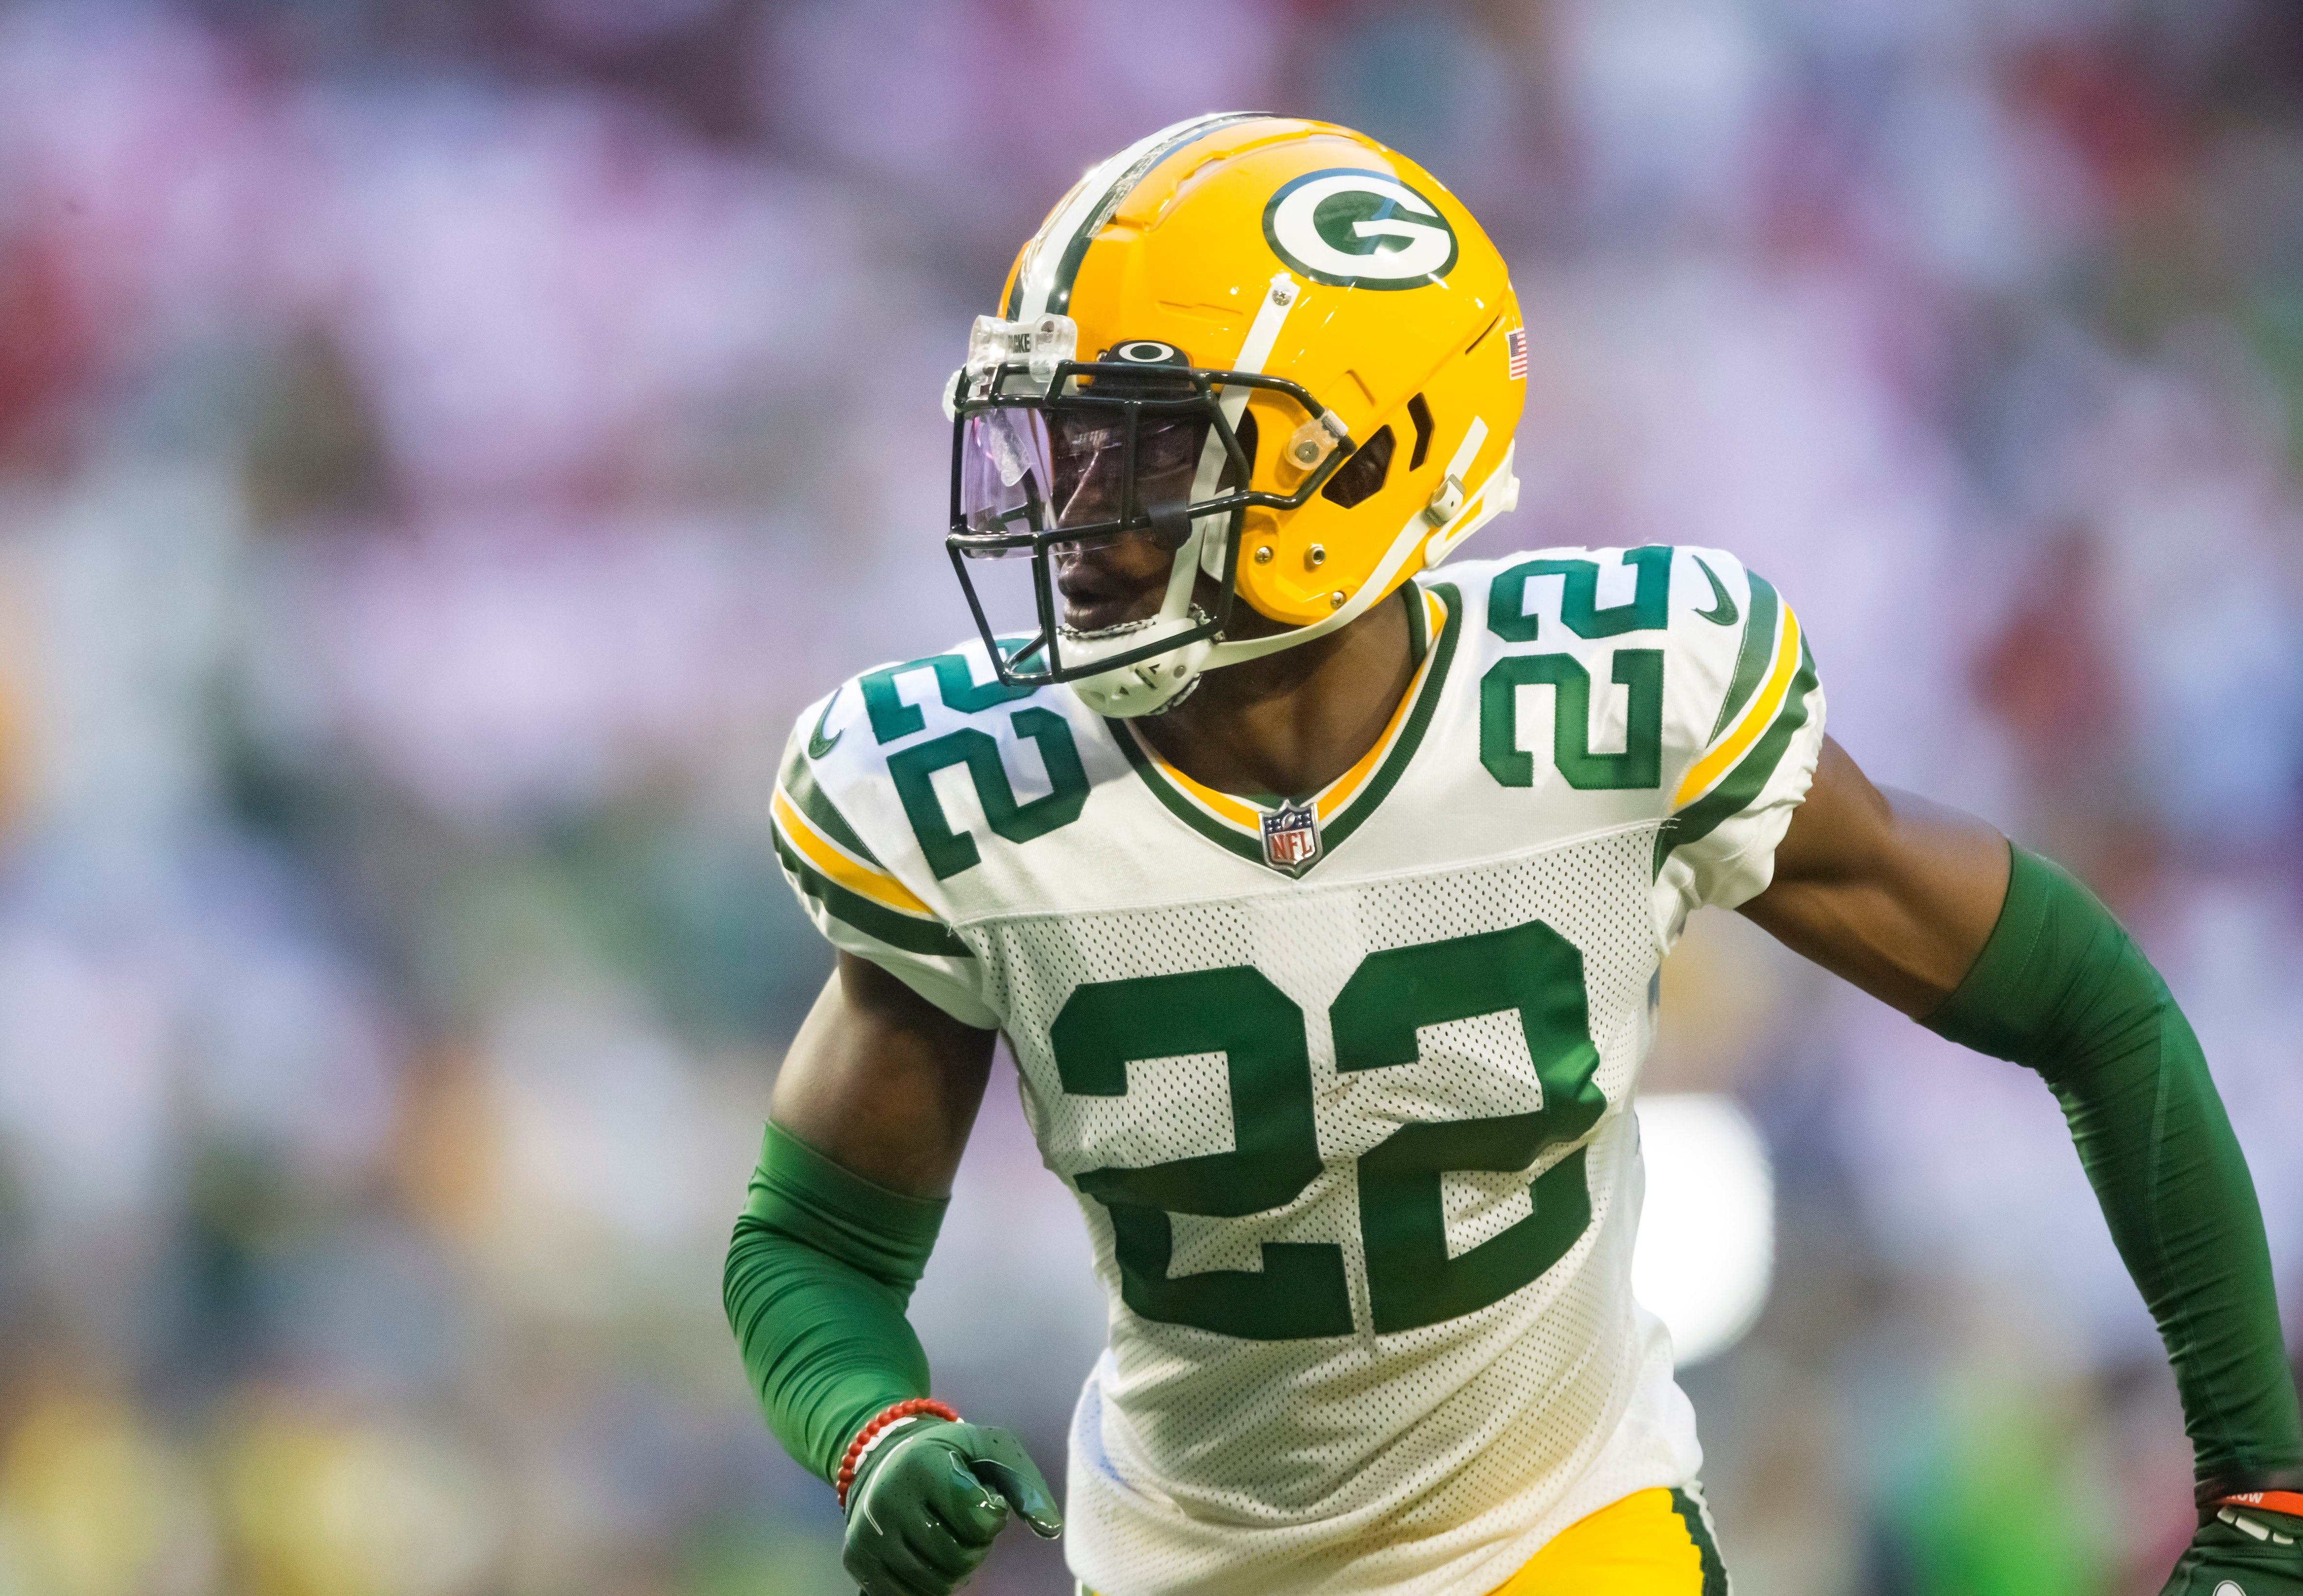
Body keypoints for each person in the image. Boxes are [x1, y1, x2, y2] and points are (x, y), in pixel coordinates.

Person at [724, 114, 2303, 1596]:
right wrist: (874, 1421)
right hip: (1181, 1562)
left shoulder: (1608, 703)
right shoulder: (973, 800)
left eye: (1140, 457)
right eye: (1058, 446)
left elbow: (2092, 1004)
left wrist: (2262, 1479)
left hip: (1564, 1532)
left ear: (1362, 458)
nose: (1071, 515)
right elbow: (811, 1242)